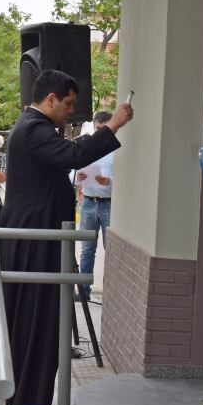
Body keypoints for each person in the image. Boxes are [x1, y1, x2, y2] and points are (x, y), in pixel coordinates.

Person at [0, 70, 133, 405]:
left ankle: (25, 395)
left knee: (37, 322)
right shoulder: (33, 129)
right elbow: (73, 155)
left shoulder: (31, 127)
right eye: (69, 103)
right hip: (33, 245)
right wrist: (112, 125)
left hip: (35, 241)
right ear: (51, 100)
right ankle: (25, 398)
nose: (72, 110)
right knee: (35, 323)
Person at [74, 111, 115, 302]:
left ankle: (112, 291)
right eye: (97, 129)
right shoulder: (87, 147)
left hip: (109, 204)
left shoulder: (117, 150)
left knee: (111, 250)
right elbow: (73, 173)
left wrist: (110, 181)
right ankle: (83, 290)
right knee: (87, 249)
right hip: (89, 202)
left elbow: (128, 179)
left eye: (103, 129)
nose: (100, 133)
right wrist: (78, 177)